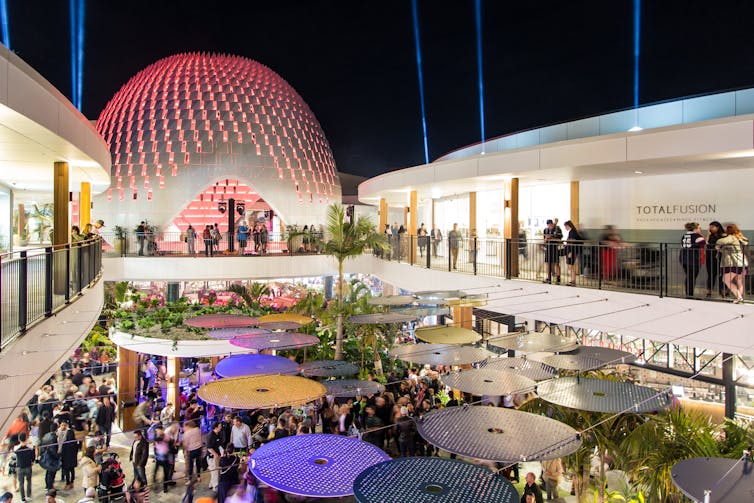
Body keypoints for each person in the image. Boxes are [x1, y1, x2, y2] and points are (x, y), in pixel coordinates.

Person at [716, 223, 749, 303]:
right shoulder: (741, 237)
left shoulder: (731, 237)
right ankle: (740, 298)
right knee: (739, 281)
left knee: (726, 279)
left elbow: (720, 241)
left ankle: (739, 297)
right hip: (742, 262)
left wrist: (720, 242)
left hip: (733, 262)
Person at [679, 222, 705, 298]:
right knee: (692, 277)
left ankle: (688, 293)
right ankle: (690, 294)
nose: (700, 229)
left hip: (684, 258)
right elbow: (704, 244)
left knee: (689, 276)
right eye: (699, 228)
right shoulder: (697, 236)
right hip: (693, 259)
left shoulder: (685, 235)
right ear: (695, 229)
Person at [705, 221, 725, 298]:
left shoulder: (723, 236)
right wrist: (708, 235)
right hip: (710, 257)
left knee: (721, 275)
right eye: (710, 227)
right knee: (711, 275)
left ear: (718, 227)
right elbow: (706, 244)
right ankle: (709, 291)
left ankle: (722, 291)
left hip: (720, 257)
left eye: (712, 227)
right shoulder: (710, 235)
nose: (711, 229)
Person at [14, 433, 34, 502]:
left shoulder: (16, 448)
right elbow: (32, 456)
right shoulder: (30, 447)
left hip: (20, 467)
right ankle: (28, 496)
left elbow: (14, 451)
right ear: (26, 438)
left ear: (19, 439)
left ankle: (23, 498)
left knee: (21, 483)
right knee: (29, 481)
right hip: (28, 466)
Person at [182, 420, 203, 484]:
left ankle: (190, 479)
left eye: (185, 427)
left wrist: (185, 451)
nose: (184, 428)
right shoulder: (198, 429)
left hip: (191, 450)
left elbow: (185, 444)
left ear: (188, 426)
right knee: (198, 463)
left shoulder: (187, 433)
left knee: (190, 465)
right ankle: (198, 476)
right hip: (199, 448)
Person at [58, 420, 77, 490]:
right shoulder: (75, 443)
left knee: (67, 471)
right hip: (72, 459)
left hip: (66, 460)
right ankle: (72, 482)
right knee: (72, 470)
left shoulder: (65, 444)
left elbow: (62, 452)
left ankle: (68, 483)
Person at [563, 220, 583, 286]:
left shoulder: (572, 233)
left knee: (570, 266)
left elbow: (572, 243)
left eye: (565, 226)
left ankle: (573, 281)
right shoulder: (572, 232)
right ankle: (572, 280)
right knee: (570, 266)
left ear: (568, 226)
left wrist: (570, 252)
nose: (565, 228)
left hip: (572, 251)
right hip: (572, 251)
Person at [543, 219, 563, 283]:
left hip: (555, 248)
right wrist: (546, 239)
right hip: (548, 248)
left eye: (550, 224)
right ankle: (548, 277)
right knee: (547, 263)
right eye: (548, 225)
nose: (549, 226)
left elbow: (559, 239)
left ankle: (558, 277)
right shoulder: (545, 230)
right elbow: (544, 240)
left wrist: (551, 237)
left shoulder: (557, 229)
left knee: (556, 263)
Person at [206, 422, 223, 492]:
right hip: (212, 458)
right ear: (216, 427)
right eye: (220, 426)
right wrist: (215, 454)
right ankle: (215, 487)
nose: (221, 427)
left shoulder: (217, 434)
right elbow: (209, 448)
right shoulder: (211, 436)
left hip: (217, 456)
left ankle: (211, 484)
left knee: (214, 471)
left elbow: (219, 444)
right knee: (215, 472)